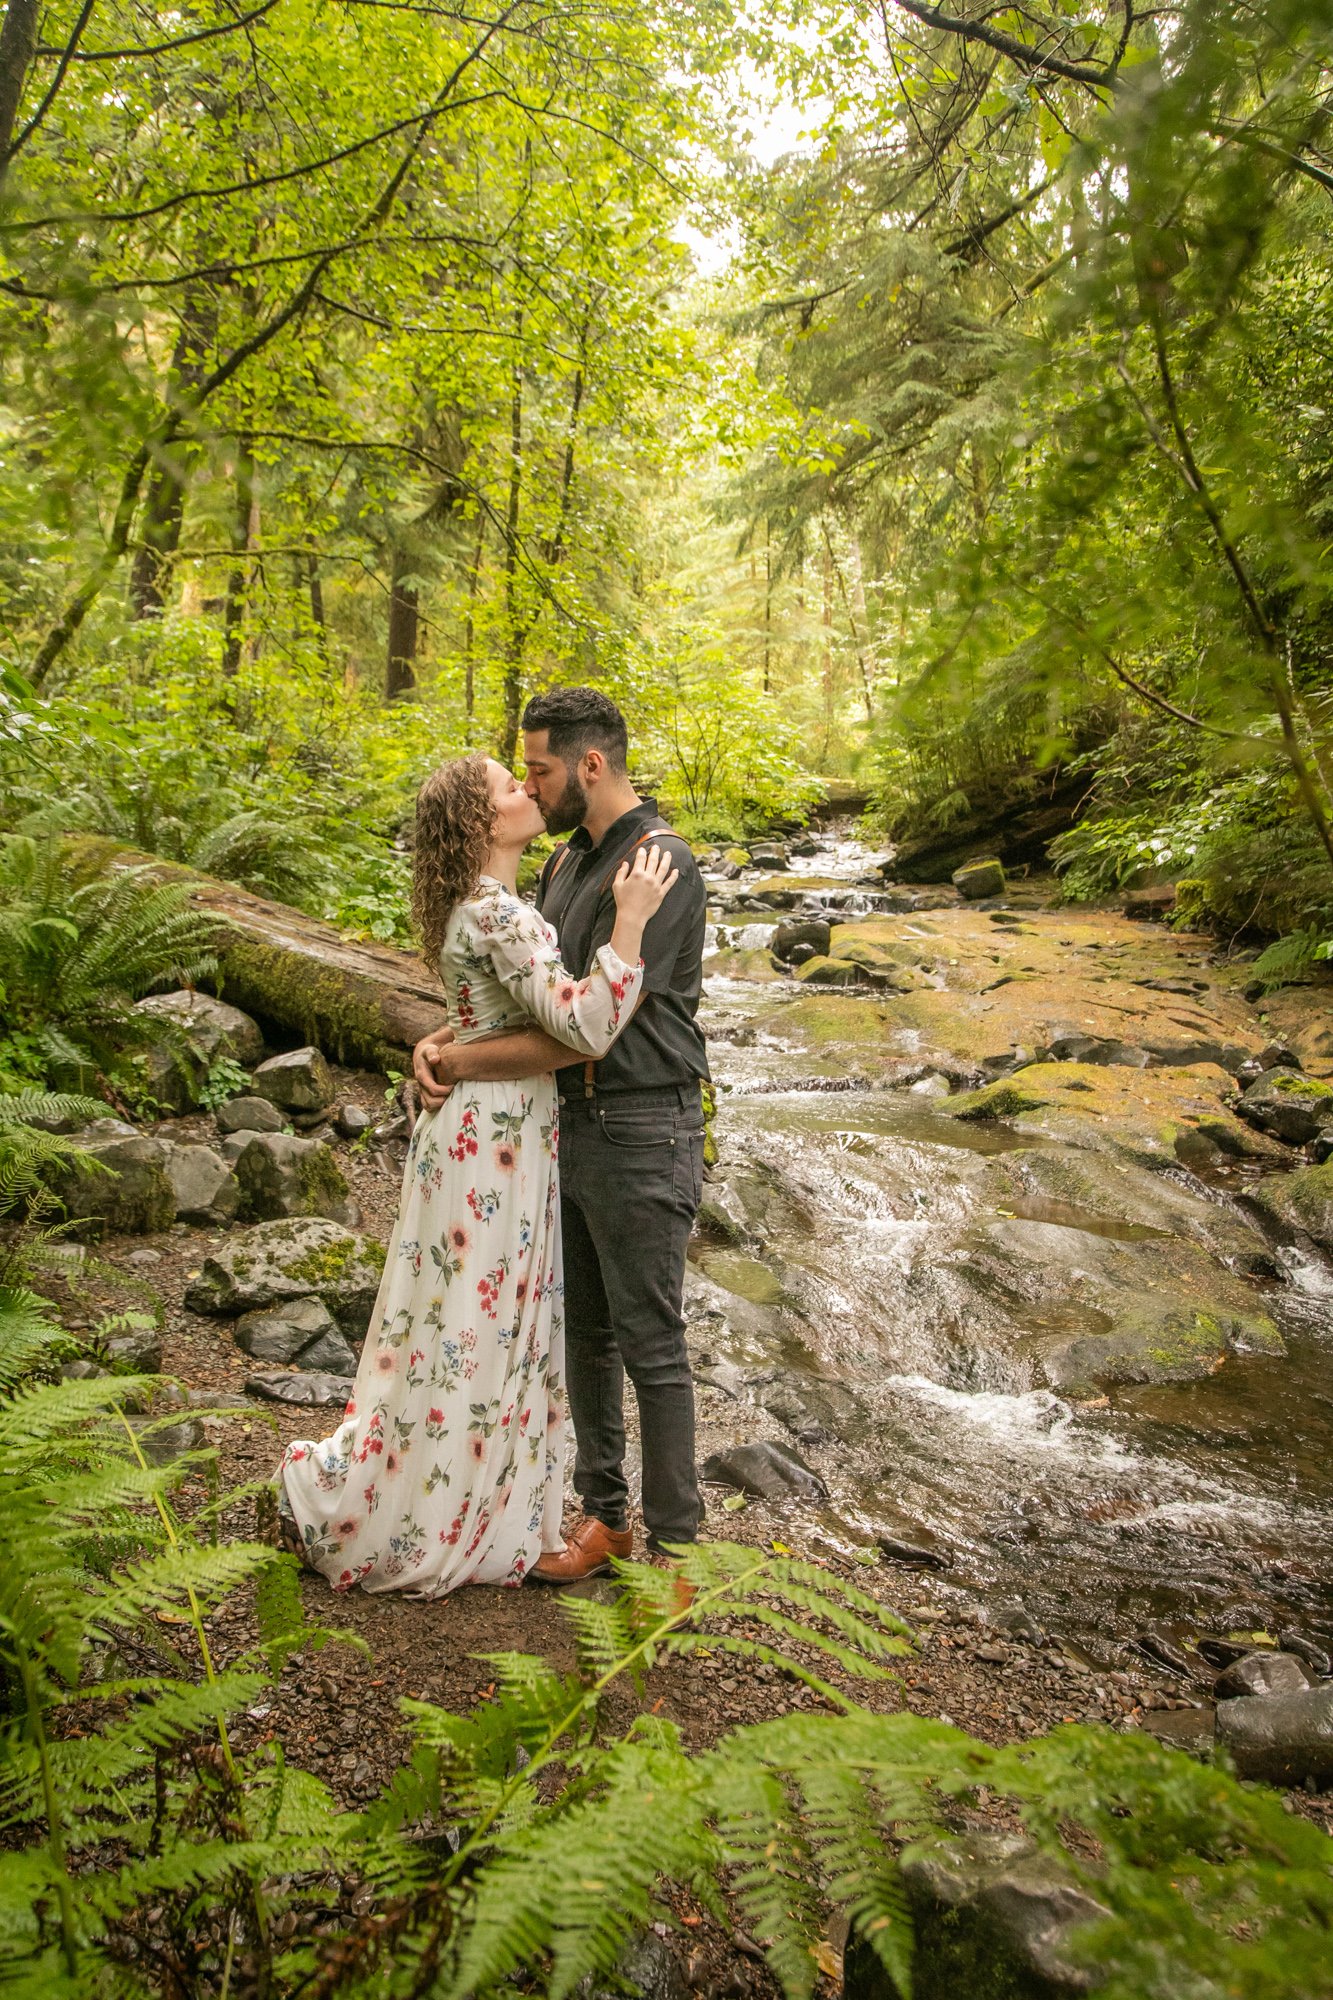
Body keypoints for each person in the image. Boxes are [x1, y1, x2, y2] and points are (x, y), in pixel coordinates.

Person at [276, 752, 678, 1595]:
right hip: (493, 1134)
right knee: (474, 1318)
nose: (526, 789)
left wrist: (442, 1047)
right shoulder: (498, 912)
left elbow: (481, 1016)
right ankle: (442, 1506)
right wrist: (632, 920)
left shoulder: (487, 903)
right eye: (508, 785)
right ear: (479, 821)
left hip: (481, 1127)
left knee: (458, 1312)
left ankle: (448, 1491)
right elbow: (588, 1026)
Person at [414, 687, 710, 1582]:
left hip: (640, 1124)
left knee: (651, 1343)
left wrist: (461, 1060)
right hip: (563, 1124)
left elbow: (593, 1029)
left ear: (590, 763)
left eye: (539, 769)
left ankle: (675, 1555)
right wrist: (443, 1036)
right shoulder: (565, 863)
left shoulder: (657, 864)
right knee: (582, 1334)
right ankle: (605, 1519)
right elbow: (532, 998)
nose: (532, 786)